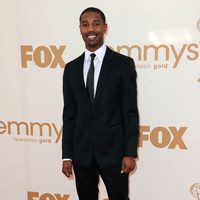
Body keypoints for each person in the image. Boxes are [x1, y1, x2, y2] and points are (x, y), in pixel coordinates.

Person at [62, 7, 139, 200]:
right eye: (85, 24)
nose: (91, 29)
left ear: (104, 27)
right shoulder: (71, 69)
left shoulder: (123, 64)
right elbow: (69, 115)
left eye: (96, 24)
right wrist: (67, 156)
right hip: (82, 154)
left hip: (114, 154)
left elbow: (130, 112)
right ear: (80, 28)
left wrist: (130, 152)